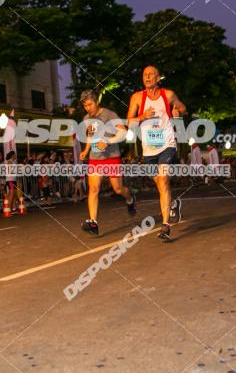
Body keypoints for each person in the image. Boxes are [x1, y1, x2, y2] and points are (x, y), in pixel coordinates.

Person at [126, 65, 187, 241]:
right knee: (160, 185)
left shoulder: (168, 95)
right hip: (149, 149)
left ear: (158, 78)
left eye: (151, 74)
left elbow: (183, 108)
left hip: (167, 144)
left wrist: (177, 111)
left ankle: (166, 225)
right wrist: (142, 117)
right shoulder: (137, 97)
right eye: (145, 74)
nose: (147, 77)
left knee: (163, 179)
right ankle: (174, 205)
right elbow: (129, 122)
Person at [78, 90, 137, 235]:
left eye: (90, 104)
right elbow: (90, 136)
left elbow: (123, 132)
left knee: (118, 189)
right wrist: (86, 150)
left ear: (96, 102)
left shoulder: (109, 115)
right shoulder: (87, 118)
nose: (88, 108)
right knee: (93, 189)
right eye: (85, 106)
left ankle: (130, 198)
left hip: (111, 157)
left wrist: (108, 141)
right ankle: (93, 223)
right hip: (95, 158)